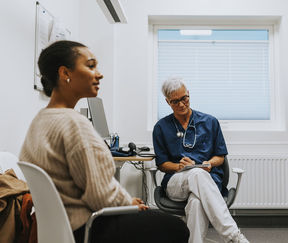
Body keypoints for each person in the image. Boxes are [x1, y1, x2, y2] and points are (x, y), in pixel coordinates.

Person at [19, 40, 189, 243]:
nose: (99, 74)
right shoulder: (74, 124)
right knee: (177, 229)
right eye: (90, 66)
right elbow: (100, 196)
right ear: (65, 73)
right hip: (89, 227)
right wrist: (129, 202)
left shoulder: (40, 120)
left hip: (60, 228)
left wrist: (125, 201)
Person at [152, 77, 249, 243]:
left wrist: (209, 163)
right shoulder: (161, 127)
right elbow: (162, 164)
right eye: (175, 101)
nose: (182, 104)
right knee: (196, 173)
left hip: (208, 180)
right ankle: (233, 236)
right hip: (177, 183)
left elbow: (220, 156)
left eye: (184, 98)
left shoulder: (210, 122)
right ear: (168, 102)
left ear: (188, 94)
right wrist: (178, 166)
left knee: (196, 203)